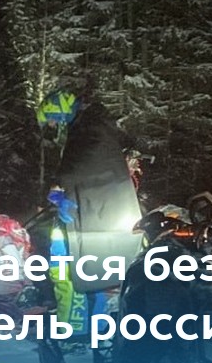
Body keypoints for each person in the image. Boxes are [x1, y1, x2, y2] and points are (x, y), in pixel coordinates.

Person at [35, 87, 143, 341]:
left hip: (93, 215)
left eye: (53, 119)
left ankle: (75, 330)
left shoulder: (91, 130)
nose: (54, 126)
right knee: (92, 274)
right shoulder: (91, 127)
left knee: (71, 271)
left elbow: (84, 164)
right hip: (95, 212)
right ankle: (92, 327)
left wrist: (60, 185)